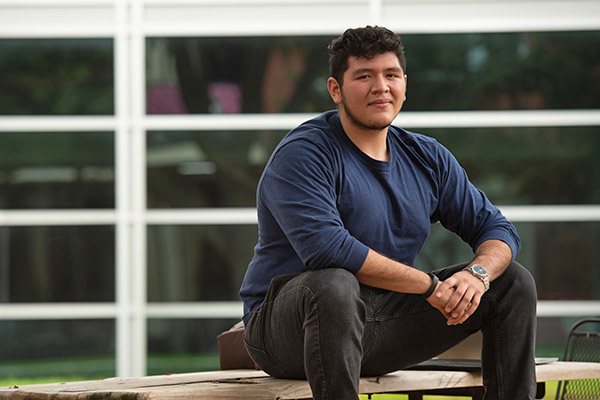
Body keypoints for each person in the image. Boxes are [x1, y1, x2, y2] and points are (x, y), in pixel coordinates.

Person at [239, 25, 537, 400]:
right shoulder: (304, 154)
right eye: (364, 76)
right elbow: (328, 250)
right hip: (288, 333)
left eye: (390, 75)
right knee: (334, 284)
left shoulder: (426, 156)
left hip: (381, 325)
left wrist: (477, 275)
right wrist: (430, 286)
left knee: (511, 281)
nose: (381, 87)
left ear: (404, 84)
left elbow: (496, 228)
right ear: (336, 89)